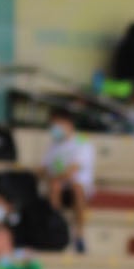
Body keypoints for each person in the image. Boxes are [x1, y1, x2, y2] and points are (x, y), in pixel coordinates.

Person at [40, 107, 96, 254]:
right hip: (59, 187)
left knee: (76, 188)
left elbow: (73, 170)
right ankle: (55, 228)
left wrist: (54, 177)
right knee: (55, 186)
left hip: (78, 189)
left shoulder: (82, 142)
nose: (54, 129)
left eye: (56, 124)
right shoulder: (54, 145)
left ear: (68, 123)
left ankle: (79, 234)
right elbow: (43, 168)